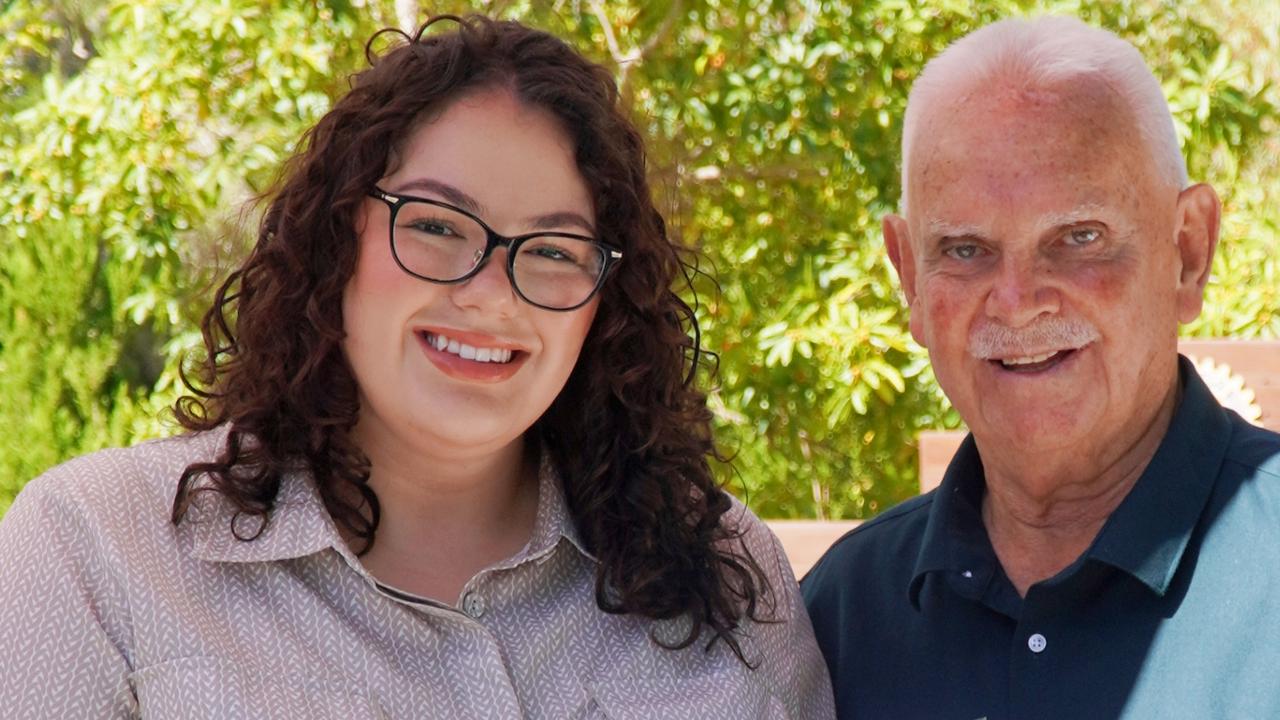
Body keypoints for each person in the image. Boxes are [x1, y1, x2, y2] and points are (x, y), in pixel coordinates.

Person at [0, 15, 834, 718]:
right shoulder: (97, 552)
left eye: (551, 250)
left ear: (604, 303)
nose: (489, 294)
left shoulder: (724, 575)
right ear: (337, 240)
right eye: (436, 226)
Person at [802, 15, 1280, 720]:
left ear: (1189, 250)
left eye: (1079, 238)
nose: (1018, 303)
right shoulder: (840, 619)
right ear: (908, 276)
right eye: (965, 249)